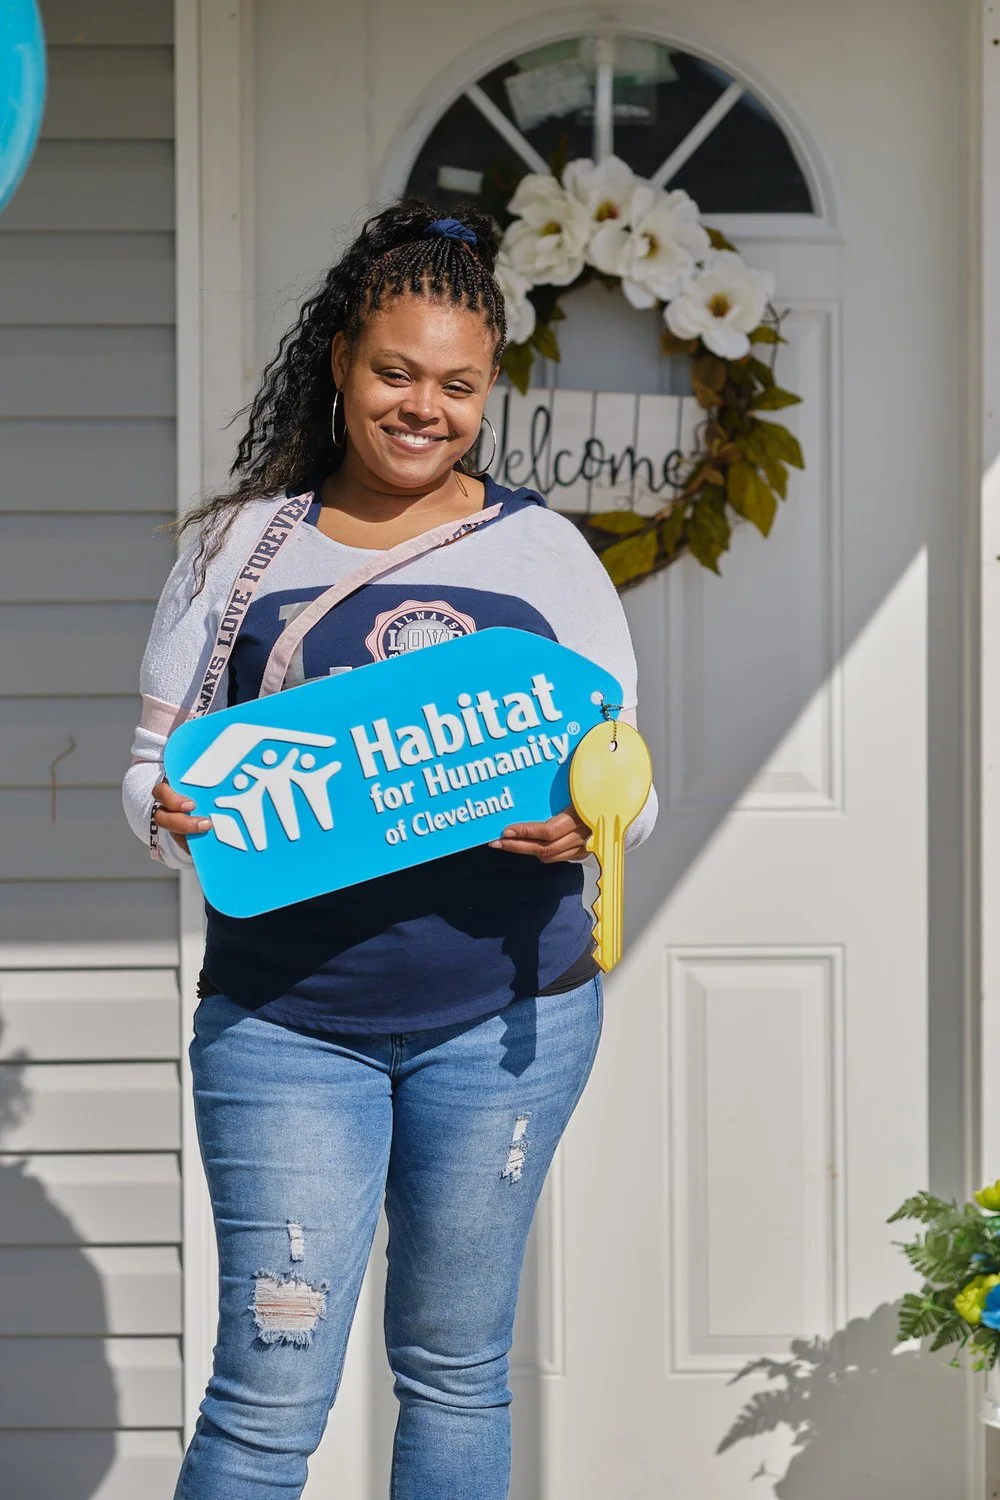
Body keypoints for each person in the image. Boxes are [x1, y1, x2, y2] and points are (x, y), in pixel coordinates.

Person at [122, 197, 658, 1500]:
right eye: (397, 373)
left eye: (458, 385)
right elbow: (151, 772)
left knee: (457, 1369)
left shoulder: (545, 554)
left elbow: (625, 774)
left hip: (506, 1023)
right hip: (286, 1026)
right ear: (342, 366)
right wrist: (169, 816)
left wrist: (590, 822)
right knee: (267, 1398)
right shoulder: (239, 545)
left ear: (489, 394)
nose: (425, 405)